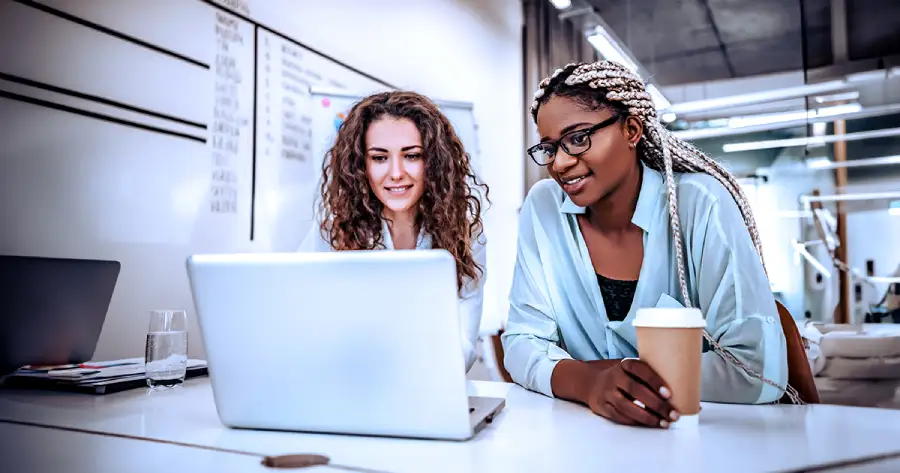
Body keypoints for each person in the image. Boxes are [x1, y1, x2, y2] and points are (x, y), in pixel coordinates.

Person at [502, 60, 798, 429]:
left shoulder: (701, 205)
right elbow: (520, 343)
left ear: (631, 129)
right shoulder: (543, 207)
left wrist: (610, 377)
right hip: (584, 440)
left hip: (698, 439)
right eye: (549, 147)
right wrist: (590, 383)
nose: (560, 163)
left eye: (578, 138)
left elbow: (756, 371)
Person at [299, 91, 489, 373]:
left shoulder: (466, 232)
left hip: (432, 386)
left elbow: (462, 342)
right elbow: (302, 322)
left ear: (433, 162)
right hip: (346, 385)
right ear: (361, 165)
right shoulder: (332, 230)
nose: (396, 172)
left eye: (412, 155)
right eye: (379, 158)